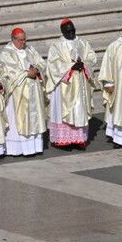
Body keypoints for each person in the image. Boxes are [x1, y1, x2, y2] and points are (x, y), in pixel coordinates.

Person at [45, 18, 98, 148]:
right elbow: (52, 65)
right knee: (66, 110)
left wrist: (83, 64)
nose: (71, 33)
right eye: (68, 31)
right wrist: (71, 66)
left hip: (80, 82)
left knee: (79, 108)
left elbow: (92, 58)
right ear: (62, 32)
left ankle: (79, 139)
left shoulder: (83, 43)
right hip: (64, 85)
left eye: (73, 30)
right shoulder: (56, 46)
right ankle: (63, 140)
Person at [0, 28, 46, 156]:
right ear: (13, 39)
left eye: (24, 39)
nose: (23, 43)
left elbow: (41, 62)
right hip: (18, 92)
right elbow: (9, 71)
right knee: (19, 118)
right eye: (20, 40)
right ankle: (17, 149)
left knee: (34, 116)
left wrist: (36, 69)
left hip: (33, 89)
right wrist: (26, 73)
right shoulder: (6, 53)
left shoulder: (29, 49)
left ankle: (34, 147)